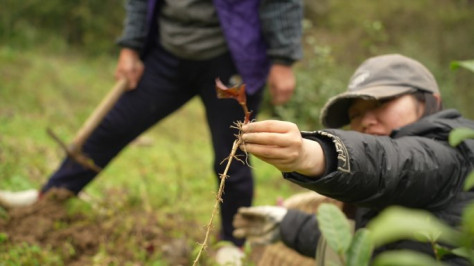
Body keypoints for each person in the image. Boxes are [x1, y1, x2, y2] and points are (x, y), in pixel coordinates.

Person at [0, 0, 303, 263]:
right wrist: (131, 46)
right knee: (113, 127)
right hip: (166, 54)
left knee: (233, 153)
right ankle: (50, 196)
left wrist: (283, 59)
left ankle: (233, 244)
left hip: (232, 57)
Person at [232, 54, 474, 265]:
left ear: (430, 101)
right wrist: (286, 224)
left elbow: (391, 162)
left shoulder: (452, 152)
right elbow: (362, 245)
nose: (366, 121)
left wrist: (314, 153)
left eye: (381, 102)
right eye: (355, 114)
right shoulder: (370, 193)